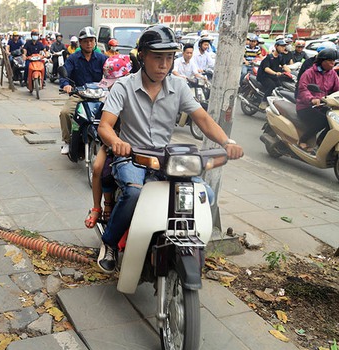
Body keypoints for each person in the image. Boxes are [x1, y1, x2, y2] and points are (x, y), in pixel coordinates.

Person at [95, 25, 244, 272]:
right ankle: (109, 242)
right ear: (142, 56)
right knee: (133, 193)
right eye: (157, 57)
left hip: (165, 158)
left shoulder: (179, 86)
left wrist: (227, 142)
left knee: (205, 194)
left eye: (169, 57)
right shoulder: (123, 86)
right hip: (132, 157)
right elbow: (105, 126)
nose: (164, 64)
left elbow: (203, 120)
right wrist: (117, 142)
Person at [85, 54, 132, 229]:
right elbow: (102, 126)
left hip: (139, 144)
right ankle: (101, 205)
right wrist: (113, 141)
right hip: (112, 143)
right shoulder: (109, 99)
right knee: (99, 168)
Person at [59, 27, 108, 155]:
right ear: (80, 43)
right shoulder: (73, 58)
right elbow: (64, 74)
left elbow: (112, 72)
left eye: (91, 40)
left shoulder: (102, 58)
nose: (89, 44)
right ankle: (67, 141)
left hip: (98, 95)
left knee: (115, 113)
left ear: (95, 42)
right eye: (85, 41)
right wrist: (66, 85)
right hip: (79, 95)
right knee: (65, 113)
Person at [296, 48, 339, 151]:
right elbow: (303, 89)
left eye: (334, 61)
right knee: (323, 121)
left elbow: (337, 88)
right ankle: (303, 140)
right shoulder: (309, 73)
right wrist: (312, 99)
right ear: (322, 61)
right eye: (330, 61)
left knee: (334, 121)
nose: (332, 63)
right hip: (306, 106)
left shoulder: (332, 74)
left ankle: (320, 143)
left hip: (323, 105)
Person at [257, 39, 291, 110]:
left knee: (280, 87)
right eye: (281, 46)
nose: (283, 48)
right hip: (264, 76)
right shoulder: (269, 57)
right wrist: (275, 73)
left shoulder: (280, 57)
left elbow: (284, 66)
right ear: (276, 46)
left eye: (284, 46)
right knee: (272, 85)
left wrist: (289, 72)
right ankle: (264, 101)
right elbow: (266, 69)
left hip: (273, 76)